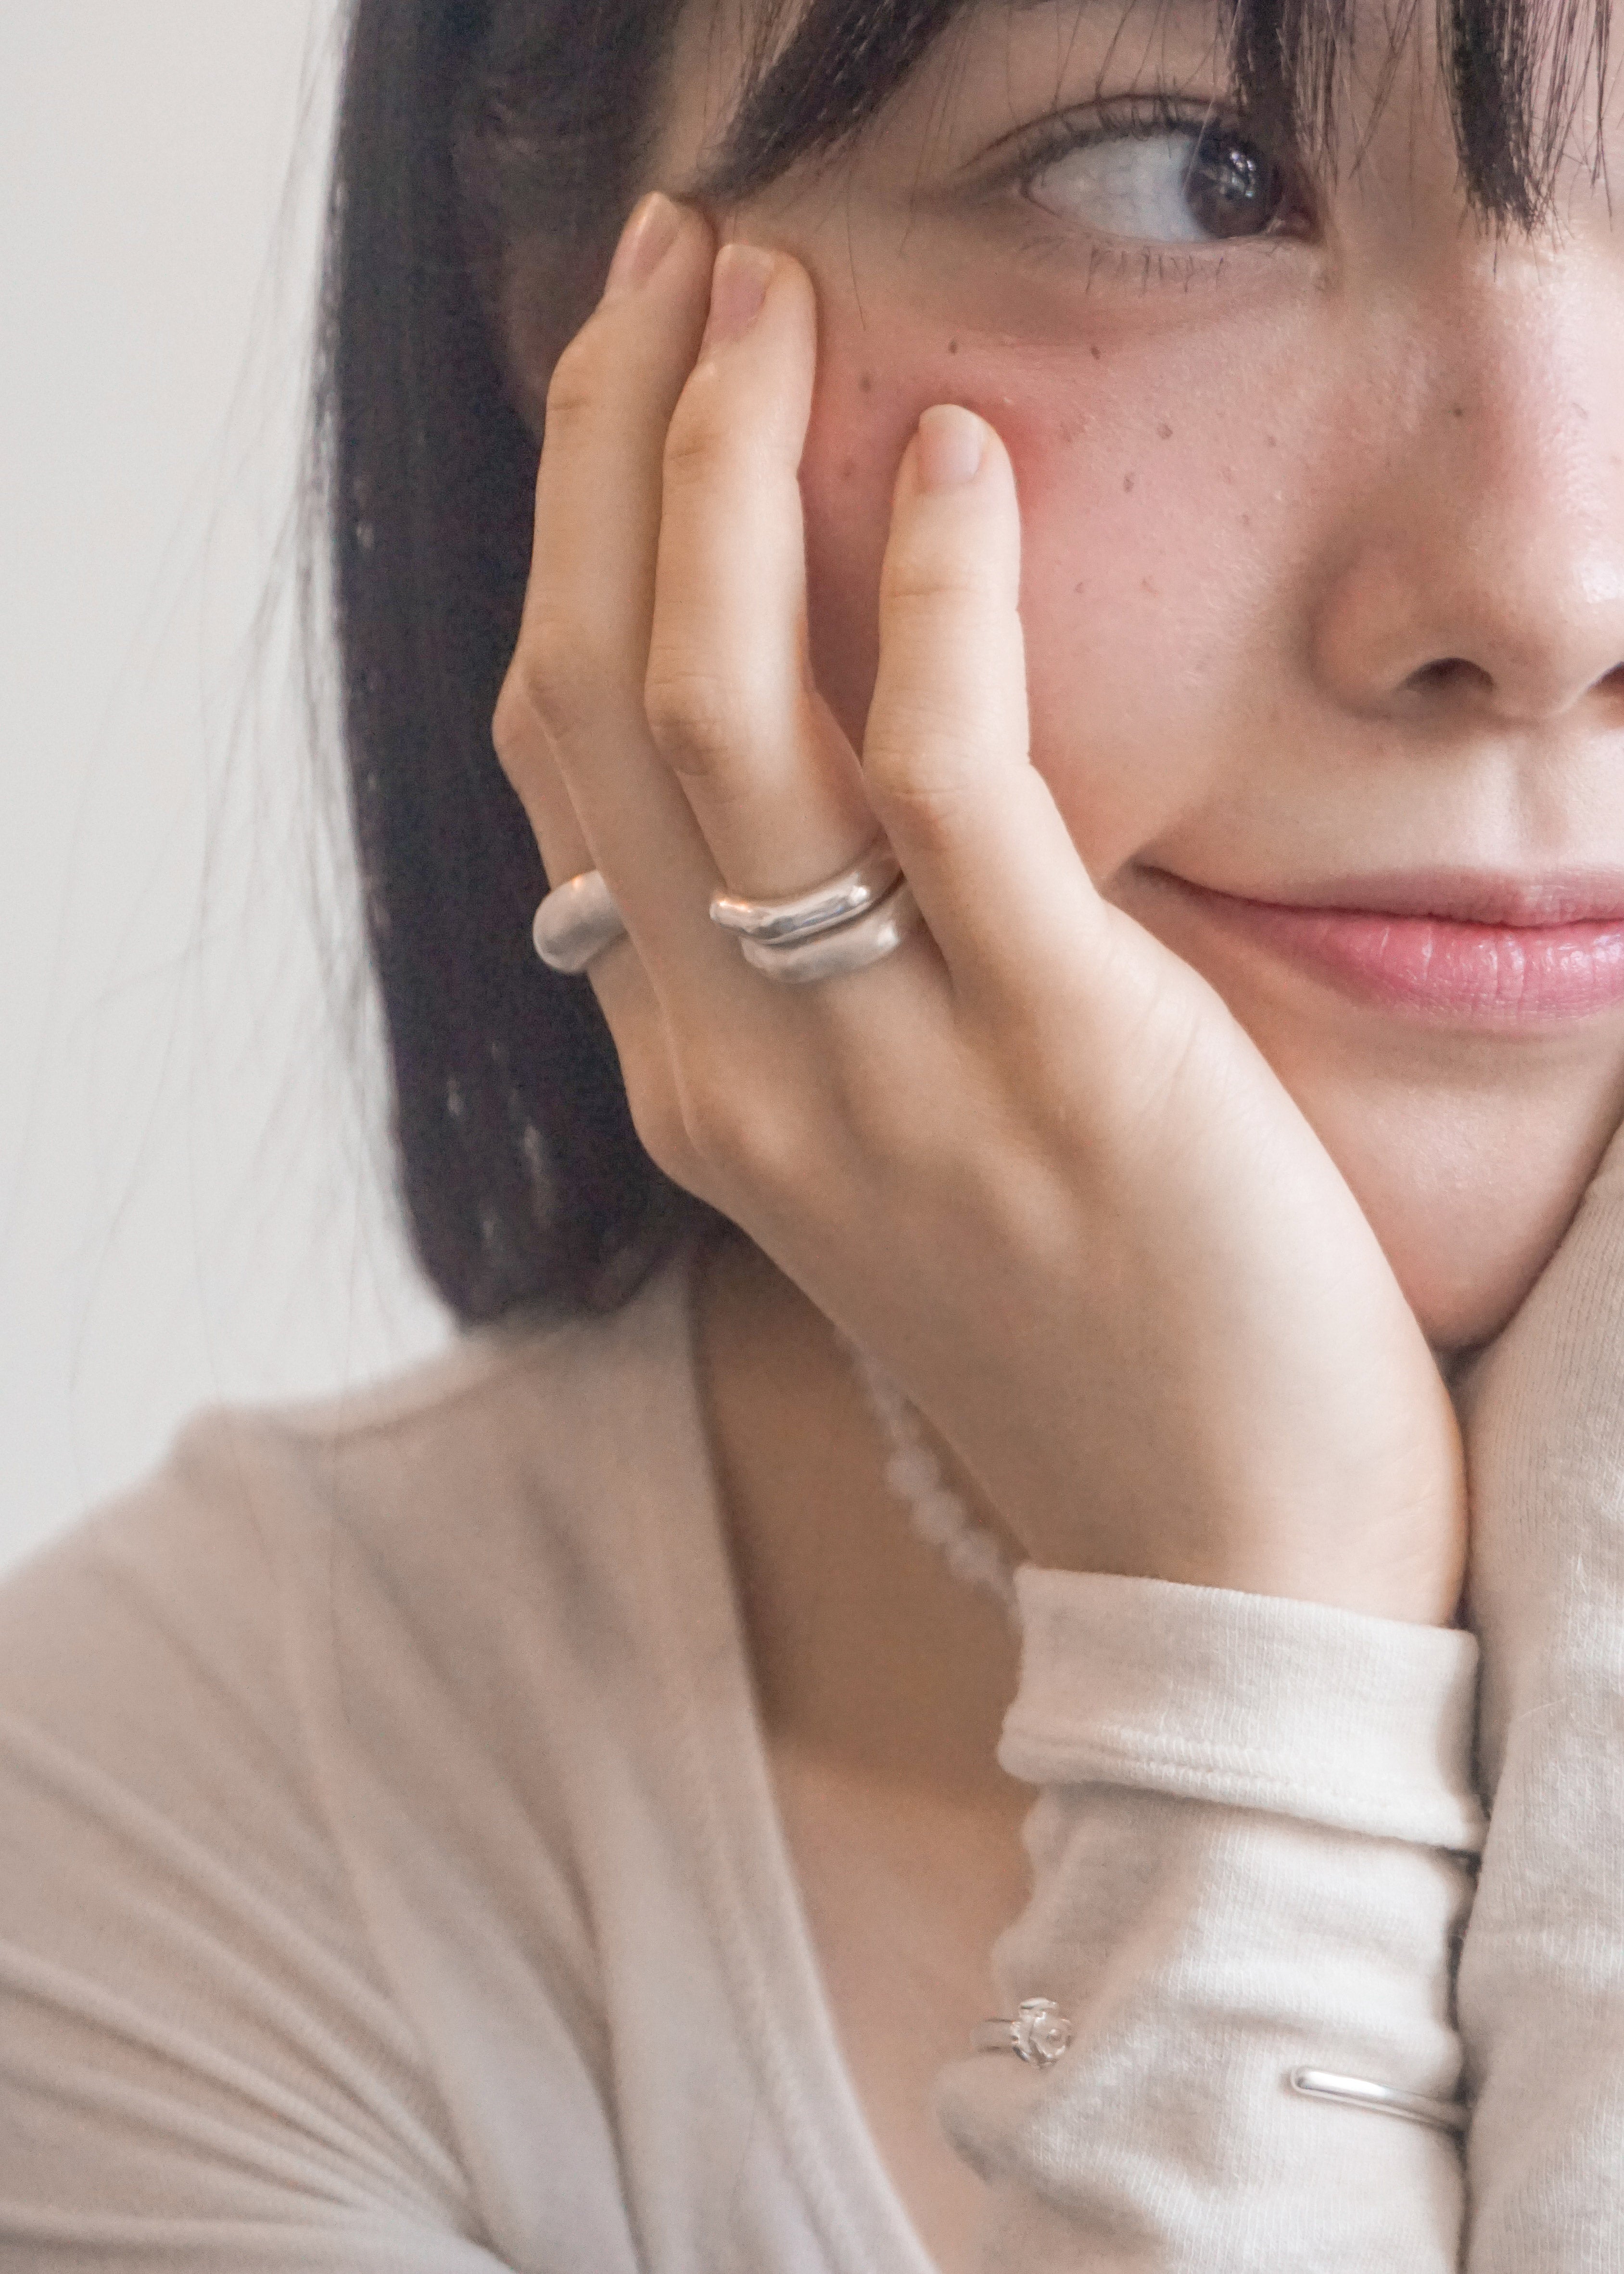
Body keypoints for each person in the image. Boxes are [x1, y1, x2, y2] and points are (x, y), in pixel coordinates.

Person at [2, 0, 1621, 2264]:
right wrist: (1245, 1674)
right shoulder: (192, 1846)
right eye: (1188, 176)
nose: (1548, 596)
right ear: (587, 318)